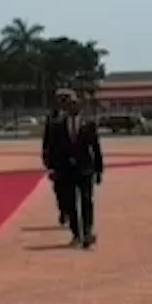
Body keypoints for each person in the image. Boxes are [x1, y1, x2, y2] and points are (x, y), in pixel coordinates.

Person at [44, 91, 103, 248]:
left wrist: (99, 170)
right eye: (69, 105)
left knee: (86, 201)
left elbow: (96, 148)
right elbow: (52, 148)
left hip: (85, 169)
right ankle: (76, 234)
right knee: (71, 203)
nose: (72, 107)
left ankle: (87, 232)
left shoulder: (88, 124)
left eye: (75, 104)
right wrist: (51, 167)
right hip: (65, 170)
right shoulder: (57, 125)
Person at [42, 92, 70, 225]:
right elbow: (46, 140)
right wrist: (46, 157)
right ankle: (63, 209)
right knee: (58, 188)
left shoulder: (73, 116)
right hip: (57, 160)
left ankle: (70, 211)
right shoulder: (52, 118)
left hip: (72, 159)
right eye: (60, 99)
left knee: (71, 188)